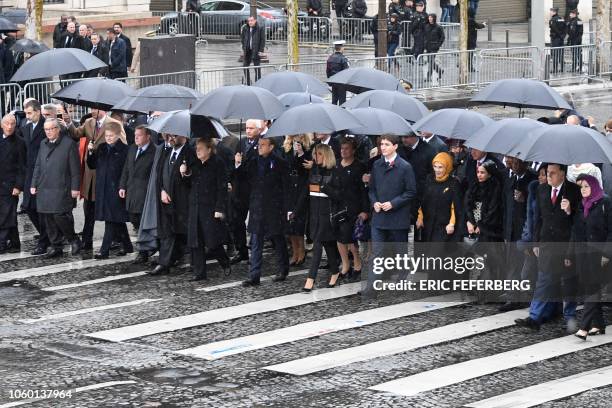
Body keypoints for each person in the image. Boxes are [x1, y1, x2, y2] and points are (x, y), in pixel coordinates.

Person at [515, 164, 581, 332]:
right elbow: (538, 218)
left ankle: (569, 317)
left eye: (553, 173)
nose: (549, 176)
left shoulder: (574, 191)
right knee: (544, 279)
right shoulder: (542, 189)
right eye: (547, 173)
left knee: (567, 282)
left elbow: (580, 220)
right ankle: (534, 317)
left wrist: (570, 210)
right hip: (546, 243)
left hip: (566, 244)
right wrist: (536, 243)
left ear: (563, 174)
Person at [363, 134, 417, 297]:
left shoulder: (405, 166)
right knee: (377, 252)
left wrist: (393, 203)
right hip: (379, 216)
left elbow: (411, 192)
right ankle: (371, 287)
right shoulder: (377, 165)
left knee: (401, 253)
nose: (383, 147)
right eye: (381, 144)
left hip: (397, 216)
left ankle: (401, 282)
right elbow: (372, 189)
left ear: (395, 146)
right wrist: (375, 202)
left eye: (386, 144)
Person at [66, 108, 127, 251]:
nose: (92, 111)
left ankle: (117, 240)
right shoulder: (88, 122)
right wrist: (69, 123)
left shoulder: (114, 123)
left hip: (106, 173)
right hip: (90, 173)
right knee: (89, 209)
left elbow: (123, 145)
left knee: (109, 210)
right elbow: (76, 134)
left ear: (103, 109)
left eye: (95, 108)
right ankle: (87, 241)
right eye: (91, 108)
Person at [236, 137, 291, 286]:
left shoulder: (280, 163)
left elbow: (286, 187)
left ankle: (283, 269)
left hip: (274, 207)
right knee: (256, 242)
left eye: (263, 145)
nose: (259, 147)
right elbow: (241, 177)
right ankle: (254, 275)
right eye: (259, 145)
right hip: (257, 206)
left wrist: (287, 208)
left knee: (278, 239)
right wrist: (239, 163)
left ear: (271, 147)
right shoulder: (253, 161)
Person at [566, 174, 610, 340]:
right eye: (581, 187)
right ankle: (598, 324)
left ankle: (584, 327)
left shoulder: (605, 202)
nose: (583, 190)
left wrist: (606, 253)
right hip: (583, 254)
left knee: (593, 289)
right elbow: (576, 231)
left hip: (599, 254)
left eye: (586, 186)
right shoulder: (582, 205)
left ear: (594, 186)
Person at [30, 119, 82, 258]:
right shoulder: (43, 143)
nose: (48, 132)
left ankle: (73, 239)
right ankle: (55, 245)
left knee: (59, 215)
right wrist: (33, 183)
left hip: (61, 186)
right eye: (46, 129)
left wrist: (75, 187)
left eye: (51, 129)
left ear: (58, 129)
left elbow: (75, 168)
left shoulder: (68, 144)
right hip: (44, 186)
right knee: (48, 217)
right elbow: (38, 165)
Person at [182, 138, 231, 280]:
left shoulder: (217, 163)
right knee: (196, 241)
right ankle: (200, 273)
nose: (197, 151)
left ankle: (224, 261)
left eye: (200, 148)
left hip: (210, 207)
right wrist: (184, 174)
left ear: (209, 149)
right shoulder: (196, 163)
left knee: (212, 241)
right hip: (195, 206)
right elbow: (188, 184)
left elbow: (221, 188)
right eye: (196, 148)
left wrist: (219, 208)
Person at [149, 134, 195, 275]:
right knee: (168, 233)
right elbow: (160, 174)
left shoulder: (190, 153)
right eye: (169, 136)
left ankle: (190, 261)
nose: (171, 138)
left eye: (174, 136)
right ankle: (164, 263)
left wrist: (186, 173)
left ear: (183, 136)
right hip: (167, 200)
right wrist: (162, 190)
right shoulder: (167, 152)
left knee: (185, 233)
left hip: (183, 201)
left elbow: (194, 179)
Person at [86, 121, 132, 259]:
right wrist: (90, 152)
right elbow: (92, 165)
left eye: (111, 136)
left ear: (118, 135)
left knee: (111, 219)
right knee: (116, 218)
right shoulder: (101, 148)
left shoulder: (125, 150)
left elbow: (126, 171)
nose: (108, 138)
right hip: (103, 188)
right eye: (106, 135)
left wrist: (123, 186)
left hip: (116, 189)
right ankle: (127, 245)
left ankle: (104, 250)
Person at [499, 158, 537, 312]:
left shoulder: (532, 180)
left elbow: (536, 206)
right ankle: (512, 294)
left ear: (525, 164)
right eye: (512, 163)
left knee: (525, 266)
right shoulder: (511, 179)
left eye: (517, 163)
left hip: (524, 230)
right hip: (511, 229)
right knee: (512, 263)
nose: (513, 166)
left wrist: (524, 199)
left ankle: (523, 295)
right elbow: (505, 205)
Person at [303, 144, 341, 291]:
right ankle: (335, 271)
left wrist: (323, 186)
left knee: (317, 245)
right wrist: (296, 211)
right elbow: (306, 193)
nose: (315, 157)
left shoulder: (334, 172)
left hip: (327, 216)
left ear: (326, 155)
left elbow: (338, 196)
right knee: (329, 246)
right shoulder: (313, 170)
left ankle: (310, 278)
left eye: (319, 154)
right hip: (314, 216)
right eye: (314, 154)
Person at [119, 125, 155, 264]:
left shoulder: (154, 151)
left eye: (139, 135)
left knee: (142, 222)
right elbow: (126, 169)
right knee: (134, 219)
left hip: (144, 191)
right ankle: (147, 247)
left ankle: (143, 251)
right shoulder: (132, 148)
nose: (136, 138)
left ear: (148, 136)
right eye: (135, 135)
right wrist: (122, 185)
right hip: (132, 190)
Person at [335, 138, 369, 281]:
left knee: (350, 238)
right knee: (339, 238)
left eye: (347, 148)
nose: (343, 151)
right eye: (342, 148)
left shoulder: (359, 167)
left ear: (353, 150)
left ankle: (357, 263)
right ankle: (345, 265)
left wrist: (365, 210)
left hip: (354, 207)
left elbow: (363, 191)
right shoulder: (336, 165)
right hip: (338, 207)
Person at [230, 119, 263, 264]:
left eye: (251, 128)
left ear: (258, 130)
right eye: (247, 128)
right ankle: (241, 250)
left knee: (256, 223)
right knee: (237, 220)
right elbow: (235, 167)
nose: (248, 130)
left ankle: (256, 253)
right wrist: (237, 163)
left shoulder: (262, 143)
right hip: (241, 190)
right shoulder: (241, 143)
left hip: (255, 189)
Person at [21, 100, 50, 255]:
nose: (27, 116)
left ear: (38, 111)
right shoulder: (25, 128)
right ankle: (47, 235)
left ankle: (45, 241)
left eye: (30, 113)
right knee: (28, 207)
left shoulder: (47, 127)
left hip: (43, 174)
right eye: (26, 113)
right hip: (28, 174)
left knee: (42, 210)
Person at [283, 134, 313, 266]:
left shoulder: (308, 150)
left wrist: (300, 153)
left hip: (301, 187)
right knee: (290, 224)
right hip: (289, 187)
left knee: (299, 222)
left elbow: (306, 169)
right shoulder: (287, 149)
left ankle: (301, 250)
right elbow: (286, 165)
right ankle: (295, 251)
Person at [0, 114, 26, 253]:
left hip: (10, 186)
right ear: (1, 125)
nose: (9, 127)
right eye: (7, 124)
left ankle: (2, 243)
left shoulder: (20, 142)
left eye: (12, 124)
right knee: (9, 215)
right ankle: (15, 243)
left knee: (5, 214)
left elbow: (23, 167)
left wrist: (18, 186)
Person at [240, 16, 265, 85]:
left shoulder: (260, 28)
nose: (250, 22)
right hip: (247, 50)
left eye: (251, 20)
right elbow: (242, 39)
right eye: (249, 21)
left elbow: (262, 40)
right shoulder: (245, 28)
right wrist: (244, 47)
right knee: (245, 66)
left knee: (257, 67)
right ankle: (248, 82)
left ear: (255, 21)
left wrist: (261, 50)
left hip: (256, 50)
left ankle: (258, 83)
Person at [326, 41, 349, 105]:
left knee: (334, 100)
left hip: (333, 81)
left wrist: (330, 80)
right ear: (341, 48)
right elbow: (347, 72)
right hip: (342, 83)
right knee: (342, 101)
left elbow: (328, 70)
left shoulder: (330, 58)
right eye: (343, 47)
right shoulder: (343, 59)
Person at [424, 13, 444, 82]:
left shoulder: (438, 27)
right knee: (431, 62)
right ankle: (440, 71)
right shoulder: (426, 26)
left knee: (431, 61)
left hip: (434, 47)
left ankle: (428, 76)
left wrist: (438, 45)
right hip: (428, 47)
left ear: (434, 18)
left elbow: (442, 37)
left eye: (431, 17)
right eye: (429, 17)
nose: (430, 19)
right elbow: (425, 36)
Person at [549, 7, 566, 74]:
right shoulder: (561, 19)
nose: (550, 13)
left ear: (554, 12)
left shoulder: (552, 20)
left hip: (555, 39)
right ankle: (562, 68)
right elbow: (565, 27)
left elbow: (554, 29)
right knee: (561, 54)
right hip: (561, 39)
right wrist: (563, 36)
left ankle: (555, 69)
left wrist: (559, 35)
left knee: (555, 54)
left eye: (551, 11)